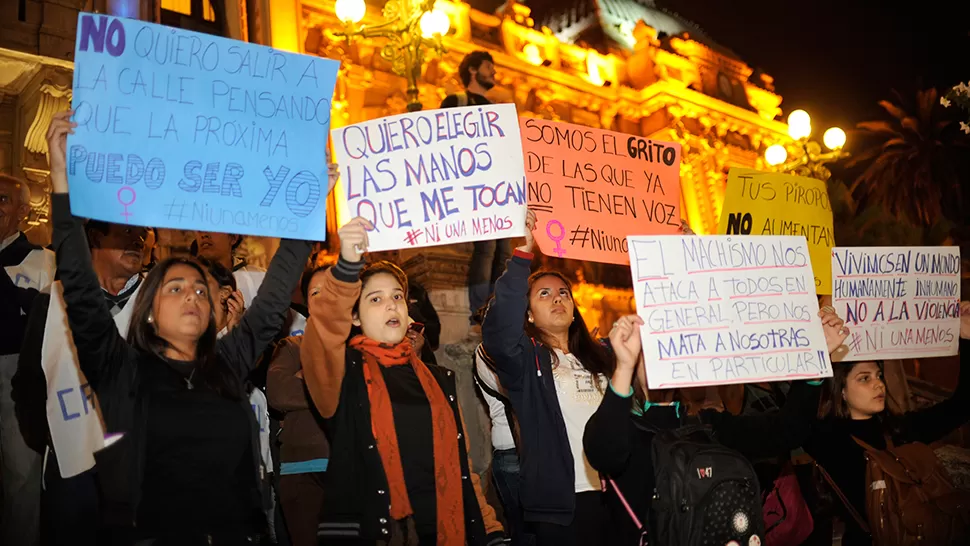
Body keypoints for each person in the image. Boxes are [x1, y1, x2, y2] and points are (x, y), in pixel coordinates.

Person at [44, 110, 322, 543]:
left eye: (198, 289)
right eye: (174, 288)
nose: (191, 295)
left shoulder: (227, 365)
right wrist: (63, 182)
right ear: (148, 311)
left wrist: (308, 205)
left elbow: (271, 303)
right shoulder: (121, 370)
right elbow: (79, 286)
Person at [299, 217, 506, 545]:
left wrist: (490, 528)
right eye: (375, 299)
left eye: (397, 296)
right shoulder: (344, 375)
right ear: (354, 316)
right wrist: (347, 268)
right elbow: (322, 331)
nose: (391, 305)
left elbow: (462, 465)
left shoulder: (438, 380)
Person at [583, 309, 850, 544]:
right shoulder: (625, 429)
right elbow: (603, 451)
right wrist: (623, 367)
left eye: (668, 348)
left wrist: (817, 357)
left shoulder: (709, 428)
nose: (659, 358)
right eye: (649, 351)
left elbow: (788, 430)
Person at [481, 209, 617, 546]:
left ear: (574, 310)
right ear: (527, 314)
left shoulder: (606, 355)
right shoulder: (525, 362)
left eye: (563, 293)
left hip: (617, 496)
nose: (557, 297)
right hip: (562, 507)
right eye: (543, 294)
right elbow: (498, 332)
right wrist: (522, 255)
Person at [14, 221, 152, 545]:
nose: (139, 240)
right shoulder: (51, 301)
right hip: (70, 467)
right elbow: (27, 382)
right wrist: (48, 438)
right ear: (95, 237)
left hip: (138, 470)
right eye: (127, 232)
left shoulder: (160, 302)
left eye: (143, 235)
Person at [805, 301, 970, 546]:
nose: (878, 384)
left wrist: (966, 340)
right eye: (864, 378)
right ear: (841, 391)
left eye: (879, 376)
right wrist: (820, 350)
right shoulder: (830, 440)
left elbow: (962, 405)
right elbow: (795, 422)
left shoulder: (899, 429)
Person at [0, 173, 54, 546]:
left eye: (2, 200)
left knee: (20, 474)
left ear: (22, 210)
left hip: (14, 370)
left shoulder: (41, 261)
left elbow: (46, 326)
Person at [439, 51, 509, 330]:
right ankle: (479, 310)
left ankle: (498, 306)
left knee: (504, 251)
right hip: (474, 184)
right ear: (472, 70)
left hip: (499, 186)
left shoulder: (496, 110)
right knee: (487, 248)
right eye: (488, 67)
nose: (494, 72)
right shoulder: (456, 102)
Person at [267, 265, 332, 546]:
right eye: (316, 291)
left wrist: (306, 376)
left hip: (354, 468)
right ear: (307, 304)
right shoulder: (292, 347)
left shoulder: (363, 348)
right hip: (301, 472)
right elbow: (279, 392)